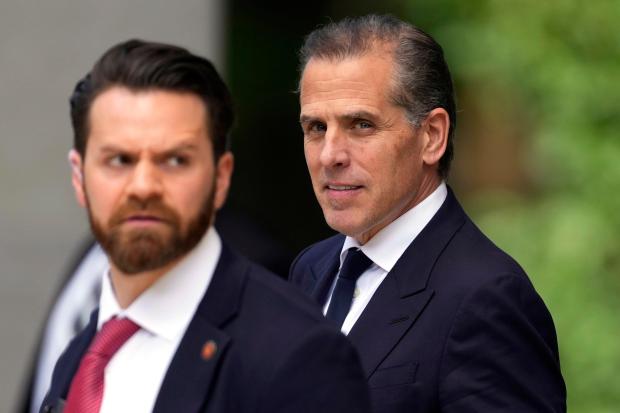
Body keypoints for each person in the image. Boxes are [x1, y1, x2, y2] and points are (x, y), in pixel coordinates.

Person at [41, 39, 370, 413]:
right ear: (79, 177)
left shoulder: (299, 356)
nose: (144, 186)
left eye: (176, 160)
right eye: (119, 159)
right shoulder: (83, 352)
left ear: (221, 177)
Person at [290, 14, 566, 412]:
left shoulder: (487, 298)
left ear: (432, 136)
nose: (330, 154)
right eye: (316, 127)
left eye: (361, 125)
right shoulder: (312, 268)